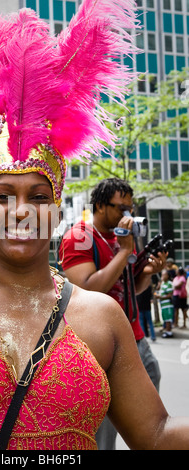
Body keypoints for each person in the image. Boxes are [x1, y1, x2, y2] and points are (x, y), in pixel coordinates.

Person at [0, 3, 189, 451]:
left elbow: (155, 434)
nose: (21, 211)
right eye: (2, 196)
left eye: (39, 196)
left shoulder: (102, 317)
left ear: (55, 211)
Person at [60, 178, 164, 449]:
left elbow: (130, 288)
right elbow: (85, 290)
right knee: (101, 438)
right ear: (99, 206)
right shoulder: (80, 237)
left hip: (136, 339)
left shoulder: (121, 236)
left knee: (152, 428)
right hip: (100, 349)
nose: (128, 215)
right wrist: (126, 250)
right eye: (121, 208)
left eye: (130, 208)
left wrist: (148, 274)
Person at [154, 270, 174, 338]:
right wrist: (159, 285)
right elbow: (157, 290)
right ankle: (167, 331)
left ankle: (169, 332)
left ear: (168, 276)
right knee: (165, 319)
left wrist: (160, 297)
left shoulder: (169, 283)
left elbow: (170, 295)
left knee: (168, 319)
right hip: (163, 305)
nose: (162, 276)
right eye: (162, 275)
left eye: (164, 275)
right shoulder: (162, 283)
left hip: (168, 305)